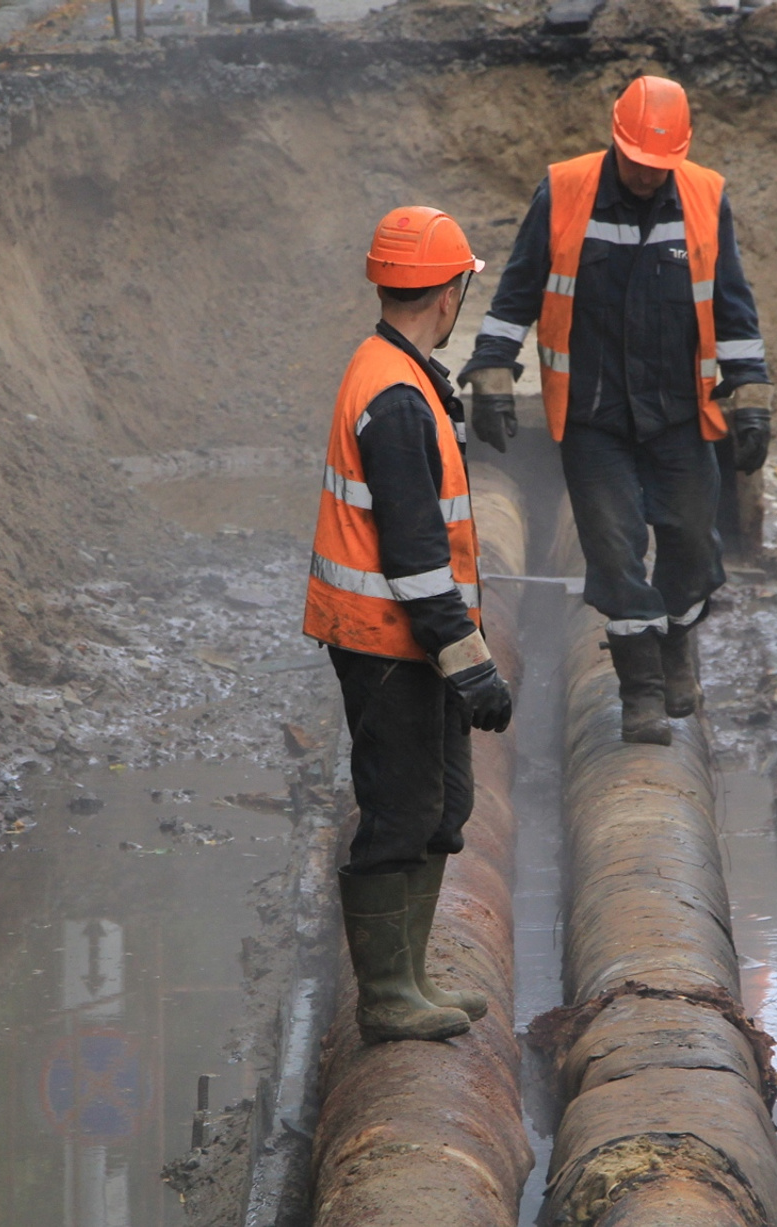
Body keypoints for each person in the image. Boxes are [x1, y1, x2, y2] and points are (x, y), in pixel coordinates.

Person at [460, 74, 773, 746]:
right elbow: (517, 287)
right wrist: (491, 367)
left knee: (690, 541)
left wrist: (749, 393)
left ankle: (677, 644)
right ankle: (640, 692)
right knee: (613, 550)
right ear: (615, 138)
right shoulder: (565, 189)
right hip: (595, 416)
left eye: (659, 165)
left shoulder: (703, 196)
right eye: (636, 161)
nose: (644, 176)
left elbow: (732, 303)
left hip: (678, 413)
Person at [305, 206, 513, 1044]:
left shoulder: (404, 372)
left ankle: (412, 976)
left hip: (408, 638)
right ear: (452, 290)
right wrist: (468, 661)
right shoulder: (393, 396)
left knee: (443, 804)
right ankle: (387, 996)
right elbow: (416, 551)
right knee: (397, 809)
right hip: (388, 641)